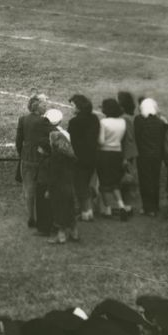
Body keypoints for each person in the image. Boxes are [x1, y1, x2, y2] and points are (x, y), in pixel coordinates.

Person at [16, 94, 50, 228]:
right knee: (41, 188)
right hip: (39, 159)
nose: (46, 106)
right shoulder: (44, 121)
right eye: (44, 104)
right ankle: (43, 217)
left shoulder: (23, 119)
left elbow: (19, 141)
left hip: (26, 158)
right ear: (36, 106)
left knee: (29, 188)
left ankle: (31, 216)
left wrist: (22, 154)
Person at [45, 109, 78, 244]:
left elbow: (53, 176)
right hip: (69, 186)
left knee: (59, 211)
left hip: (58, 187)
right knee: (70, 209)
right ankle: (74, 233)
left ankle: (61, 235)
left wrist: (48, 190)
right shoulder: (71, 157)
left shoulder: (54, 158)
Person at [96, 98, 131, 219]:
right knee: (115, 182)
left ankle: (108, 209)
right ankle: (121, 206)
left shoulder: (103, 122)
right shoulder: (122, 122)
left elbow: (101, 141)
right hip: (117, 153)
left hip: (104, 153)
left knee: (104, 183)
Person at [67, 94, 100, 221]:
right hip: (92, 156)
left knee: (80, 186)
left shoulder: (74, 122)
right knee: (86, 183)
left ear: (79, 107)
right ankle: (87, 209)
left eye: (73, 105)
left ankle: (87, 212)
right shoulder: (94, 119)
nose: (72, 108)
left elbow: (72, 141)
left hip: (79, 158)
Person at [134, 98, 168, 216]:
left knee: (145, 180)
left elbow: (137, 137)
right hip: (156, 155)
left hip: (143, 155)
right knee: (155, 180)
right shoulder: (159, 122)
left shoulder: (139, 120)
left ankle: (147, 207)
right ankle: (155, 206)